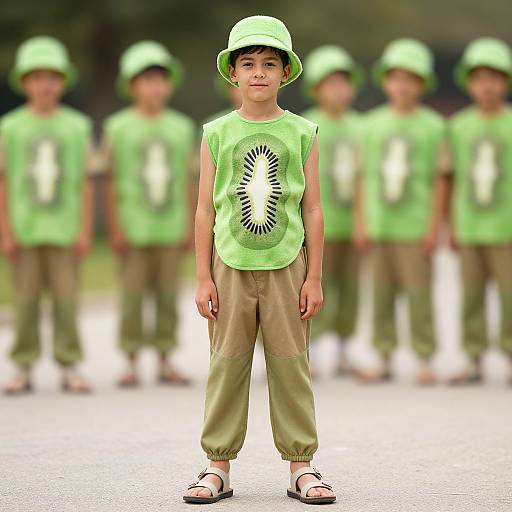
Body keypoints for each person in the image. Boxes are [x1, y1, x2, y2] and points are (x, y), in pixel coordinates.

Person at [183, 15, 336, 505]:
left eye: (270, 63)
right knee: (226, 365)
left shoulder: (303, 132)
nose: (258, 73)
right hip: (228, 264)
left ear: (285, 72)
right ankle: (217, 467)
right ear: (232, 73)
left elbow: (312, 207)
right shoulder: (215, 133)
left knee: (291, 365)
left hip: (288, 265)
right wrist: (203, 276)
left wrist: (314, 276)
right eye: (247, 63)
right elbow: (205, 208)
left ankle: (301, 466)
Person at [0, 36, 93, 394]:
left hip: (65, 229)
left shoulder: (76, 126)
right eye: (37, 77)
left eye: (52, 76)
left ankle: (68, 364)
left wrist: (84, 230)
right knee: (24, 303)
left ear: (63, 81)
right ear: (25, 82)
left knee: (66, 301)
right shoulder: (10, 127)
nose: (45, 84)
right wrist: (6, 232)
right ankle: (23, 365)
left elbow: (84, 183)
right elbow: (6, 183)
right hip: (25, 230)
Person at [354, 39, 448, 384]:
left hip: (415, 225)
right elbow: (362, 178)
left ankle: (425, 357)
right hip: (380, 225)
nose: (403, 85)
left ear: (422, 84)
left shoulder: (435, 126)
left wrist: (434, 227)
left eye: (411, 78)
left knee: (419, 294)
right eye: (396, 77)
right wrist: (361, 222)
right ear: (385, 81)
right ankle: (384, 354)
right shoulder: (370, 125)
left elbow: (440, 180)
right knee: (380, 295)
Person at [102, 41, 196, 387]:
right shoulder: (118, 128)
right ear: (131, 85)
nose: (155, 87)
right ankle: (130, 360)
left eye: (161, 79)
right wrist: (115, 227)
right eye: (146, 79)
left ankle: (165, 357)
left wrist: (190, 225)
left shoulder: (182, 128)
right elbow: (111, 182)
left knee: (169, 297)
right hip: (134, 227)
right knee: (132, 296)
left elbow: (188, 180)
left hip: (171, 227)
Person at [447, 38, 512, 384]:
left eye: (494, 77)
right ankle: (473, 358)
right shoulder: (458, 126)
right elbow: (451, 178)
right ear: (469, 83)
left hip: (506, 228)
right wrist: (451, 225)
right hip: (470, 226)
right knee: (471, 296)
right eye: (479, 78)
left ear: (505, 81)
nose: (487, 86)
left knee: (509, 296)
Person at [302, 45, 364, 376]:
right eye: (329, 83)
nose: (338, 90)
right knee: (312, 287)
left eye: (343, 82)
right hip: (316, 227)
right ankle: (309, 351)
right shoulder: (306, 126)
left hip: (352, 225)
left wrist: (364, 222)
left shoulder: (362, 128)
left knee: (349, 287)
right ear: (315, 89)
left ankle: (343, 350)